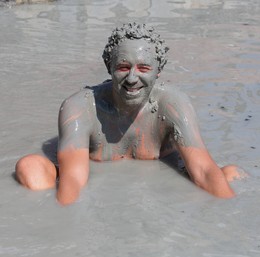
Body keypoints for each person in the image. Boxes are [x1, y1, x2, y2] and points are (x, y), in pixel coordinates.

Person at [15, 22, 243, 205]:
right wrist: (68, 227)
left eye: (143, 68)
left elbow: (203, 170)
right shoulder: (80, 107)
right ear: (109, 67)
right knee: (30, 166)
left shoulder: (173, 105)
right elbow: (74, 179)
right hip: (94, 181)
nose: (132, 78)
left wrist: (227, 223)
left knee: (233, 174)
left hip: (158, 192)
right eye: (123, 67)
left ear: (158, 71)